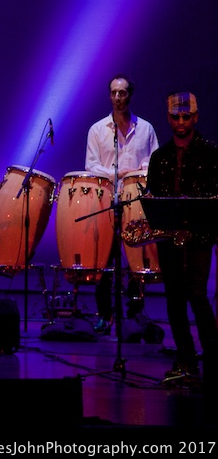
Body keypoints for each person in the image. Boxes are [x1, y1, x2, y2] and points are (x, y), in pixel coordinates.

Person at [145, 91, 218, 383]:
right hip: (169, 239)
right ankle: (186, 362)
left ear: (196, 117)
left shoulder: (210, 153)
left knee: (198, 298)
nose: (180, 122)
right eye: (175, 116)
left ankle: (212, 364)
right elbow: (152, 196)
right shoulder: (159, 157)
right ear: (168, 118)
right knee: (174, 300)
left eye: (186, 116)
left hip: (199, 237)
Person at [84, 74, 159, 333]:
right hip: (107, 201)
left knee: (137, 259)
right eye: (114, 93)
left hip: (136, 202)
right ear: (109, 95)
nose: (118, 97)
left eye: (123, 93)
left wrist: (136, 173)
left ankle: (136, 313)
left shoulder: (146, 129)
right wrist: (121, 172)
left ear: (130, 96)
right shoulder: (97, 130)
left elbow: (154, 165)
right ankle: (105, 314)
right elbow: (91, 166)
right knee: (105, 260)